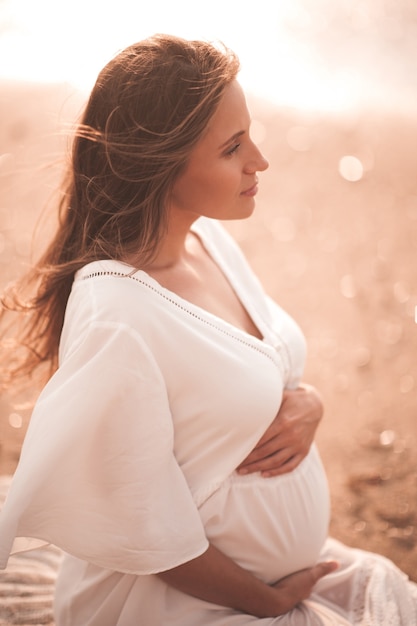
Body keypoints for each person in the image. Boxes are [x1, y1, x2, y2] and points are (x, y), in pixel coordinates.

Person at [0, 34, 416, 626]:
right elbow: (137, 516)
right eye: (232, 148)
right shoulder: (118, 314)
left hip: (270, 579)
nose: (260, 162)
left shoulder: (205, 241)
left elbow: (263, 365)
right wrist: (267, 601)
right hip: (181, 603)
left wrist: (310, 404)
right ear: (160, 166)